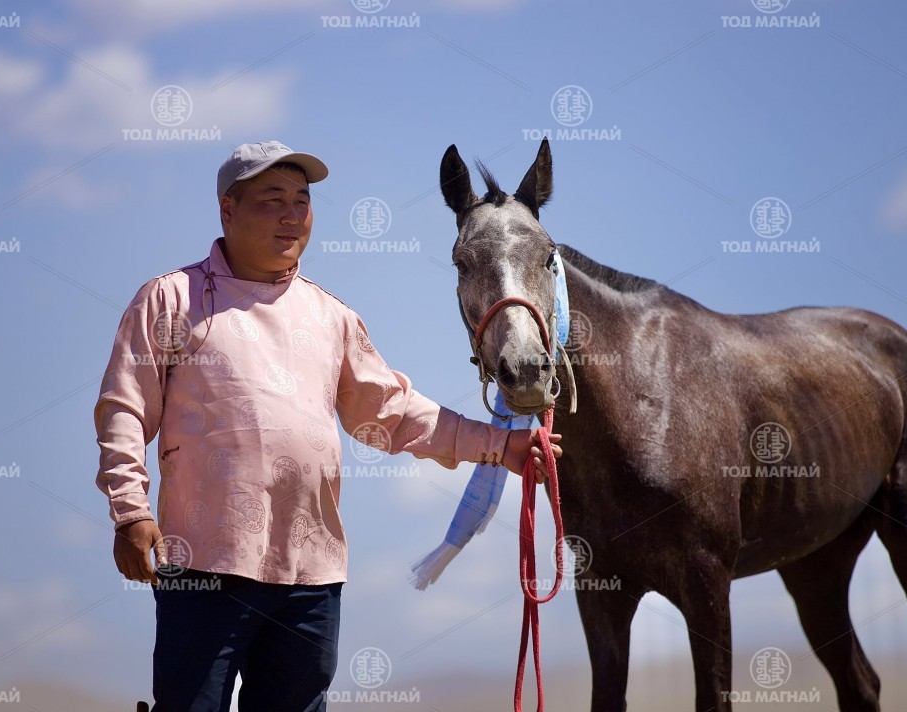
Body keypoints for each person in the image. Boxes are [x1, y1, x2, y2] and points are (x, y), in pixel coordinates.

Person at [94, 140, 563, 712]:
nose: (292, 215)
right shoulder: (169, 299)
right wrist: (130, 511)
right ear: (227, 210)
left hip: (310, 578)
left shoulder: (331, 317)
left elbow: (392, 412)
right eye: (272, 199)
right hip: (202, 565)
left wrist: (501, 445)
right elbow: (124, 408)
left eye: (302, 200)